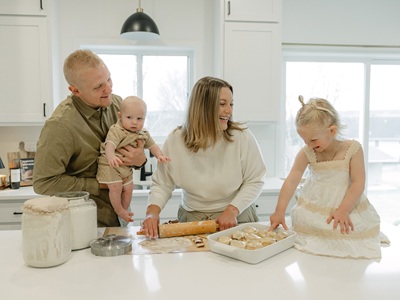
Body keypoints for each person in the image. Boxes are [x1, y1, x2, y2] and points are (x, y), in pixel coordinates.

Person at [141, 76, 267, 239]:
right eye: (222, 104)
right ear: (203, 107)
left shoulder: (241, 137)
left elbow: (255, 180)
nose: (229, 111)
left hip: (236, 215)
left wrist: (232, 210)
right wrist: (152, 213)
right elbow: (162, 184)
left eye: (231, 104)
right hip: (193, 217)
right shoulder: (175, 139)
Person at [33, 49, 147, 227]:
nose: (108, 89)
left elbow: (135, 144)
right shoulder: (60, 126)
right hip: (83, 223)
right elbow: (43, 182)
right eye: (98, 86)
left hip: (119, 218)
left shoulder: (116, 104)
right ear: (75, 90)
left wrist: (140, 160)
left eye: (108, 79)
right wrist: (100, 184)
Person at [269, 95, 382, 259]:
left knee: (345, 229)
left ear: (332, 131)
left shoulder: (352, 149)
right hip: (316, 205)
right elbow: (292, 180)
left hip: (346, 204)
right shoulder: (307, 152)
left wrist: (343, 211)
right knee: (304, 223)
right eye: (304, 140)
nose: (308, 145)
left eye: (313, 140)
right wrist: (279, 211)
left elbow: (358, 183)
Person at [97, 96, 170, 224]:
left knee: (129, 188)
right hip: (110, 165)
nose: (134, 122)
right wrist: (111, 157)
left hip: (125, 167)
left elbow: (152, 145)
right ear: (120, 116)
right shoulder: (117, 130)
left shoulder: (142, 133)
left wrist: (159, 155)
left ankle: (124, 210)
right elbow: (110, 145)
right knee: (116, 186)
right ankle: (119, 210)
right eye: (129, 118)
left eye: (139, 118)